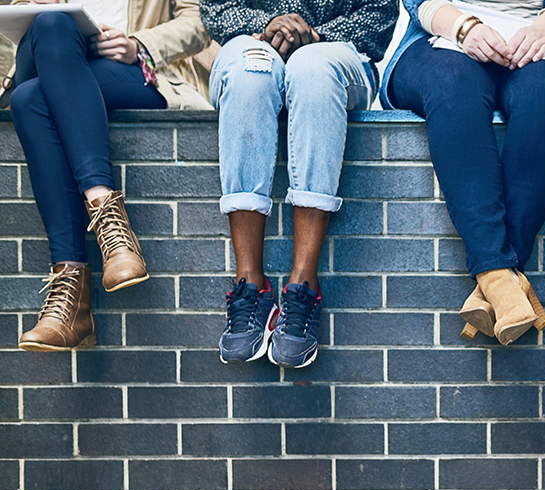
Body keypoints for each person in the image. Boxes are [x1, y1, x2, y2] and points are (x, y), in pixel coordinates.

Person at [381, 0, 545, 345]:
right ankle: (503, 280)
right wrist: (464, 28)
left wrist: (544, 29)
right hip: (443, 37)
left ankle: (495, 280)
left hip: (544, 40)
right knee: (453, 83)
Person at [202, 0, 397, 367]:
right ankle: (250, 287)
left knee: (312, 69)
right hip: (252, 42)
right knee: (251, 69)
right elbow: (216, 7)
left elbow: (381, 12)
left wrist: (315, 35)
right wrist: (271, 25)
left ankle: (303, 286)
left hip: (339, 51)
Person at [12, 0, 212, 352]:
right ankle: (112, 230)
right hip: (47, 51)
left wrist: (140, 44)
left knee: (30, 99)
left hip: (130, 68)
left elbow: (199, 20)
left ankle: (71, 301)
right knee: (51, 24)